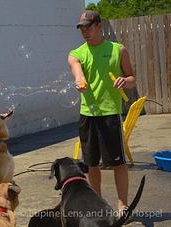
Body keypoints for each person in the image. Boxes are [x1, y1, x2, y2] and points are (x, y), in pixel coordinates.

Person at [68, 10, 136, 214]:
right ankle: (97, 203)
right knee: (91, 164)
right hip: (88, 115)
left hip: (110, 114)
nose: (84, 31)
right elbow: (76, 69)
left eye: (88, 27)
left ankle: (122, 205)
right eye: (81, 28)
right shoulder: (76, 53)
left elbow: (132, 79)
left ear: (99, 26)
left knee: (117, 163)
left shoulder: (118, 50)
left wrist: (125, 81)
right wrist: (79, 80)